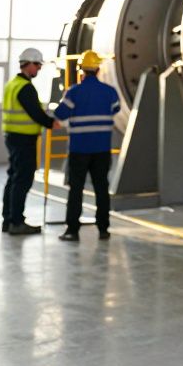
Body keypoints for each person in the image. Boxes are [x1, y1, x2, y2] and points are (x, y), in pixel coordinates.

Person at [52, 50, 121, 241]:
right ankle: (103, 229)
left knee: (76, 189)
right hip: (101, 149)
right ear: (98, 69)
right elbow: (116, 109)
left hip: (79, 149)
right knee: (101, 188)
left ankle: (72, 230)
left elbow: (60, 114)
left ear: (81, 70)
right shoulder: (109, 92)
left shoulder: (73, 92)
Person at [2, 47, 56, 236]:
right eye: (38, 65)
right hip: (24, 140)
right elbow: (35, 113)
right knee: (22, 180)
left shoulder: (12, 84)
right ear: (29, 64)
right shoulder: (25, 87)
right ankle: (16, 222)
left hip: (12, 137)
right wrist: (52, 123)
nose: (39, 69)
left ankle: (8, 220)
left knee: (13, 178)